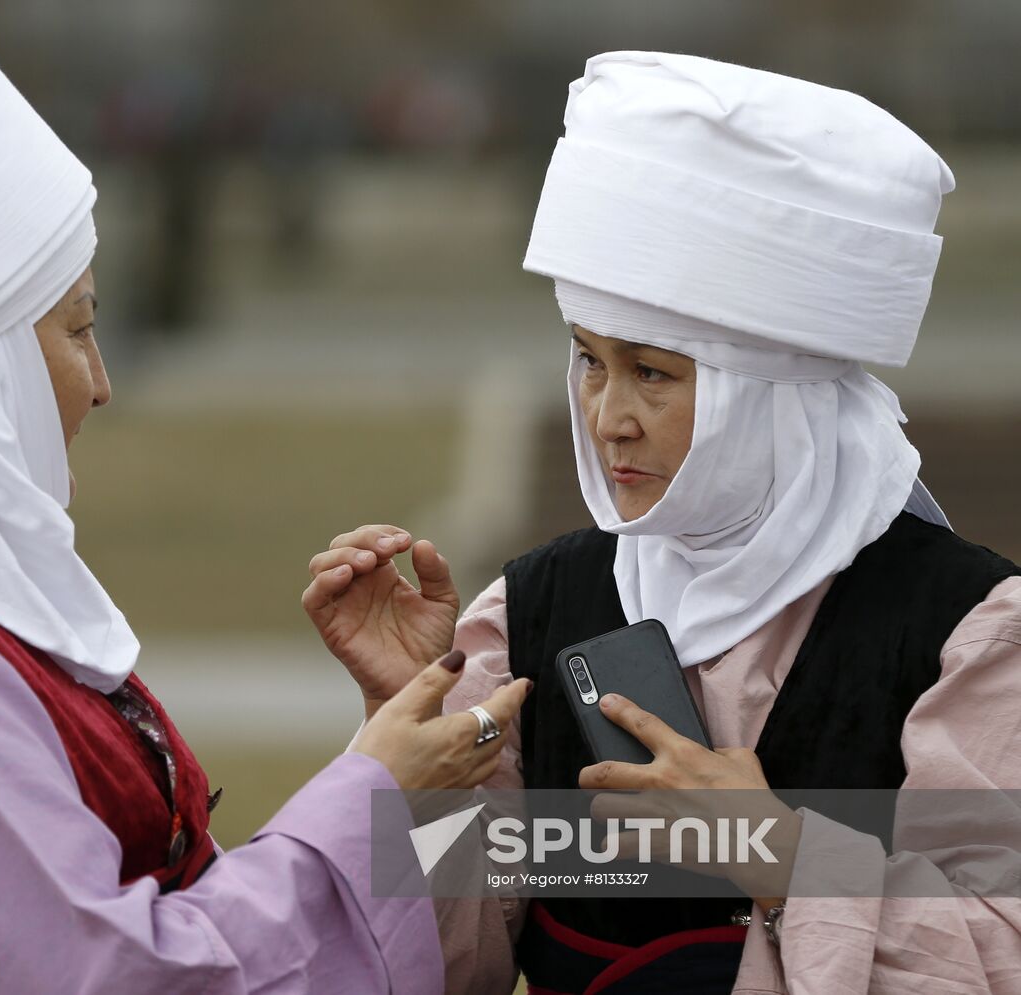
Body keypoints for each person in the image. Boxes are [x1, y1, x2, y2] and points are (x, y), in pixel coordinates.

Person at [0, 33, 530, 994]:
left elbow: (183, 918)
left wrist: (405, 744)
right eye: (77, 329)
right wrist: (376, 789)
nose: (101, 385)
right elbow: (108, 975)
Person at [304, 52, 1021, 993]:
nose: (609, 416)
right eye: (590, 362)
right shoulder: (530, 610)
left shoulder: (966, 631)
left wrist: (779, 855)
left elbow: (996, 950)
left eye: (655, 371)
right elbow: (442, 965)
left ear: (776, 395)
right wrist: (417, 734)